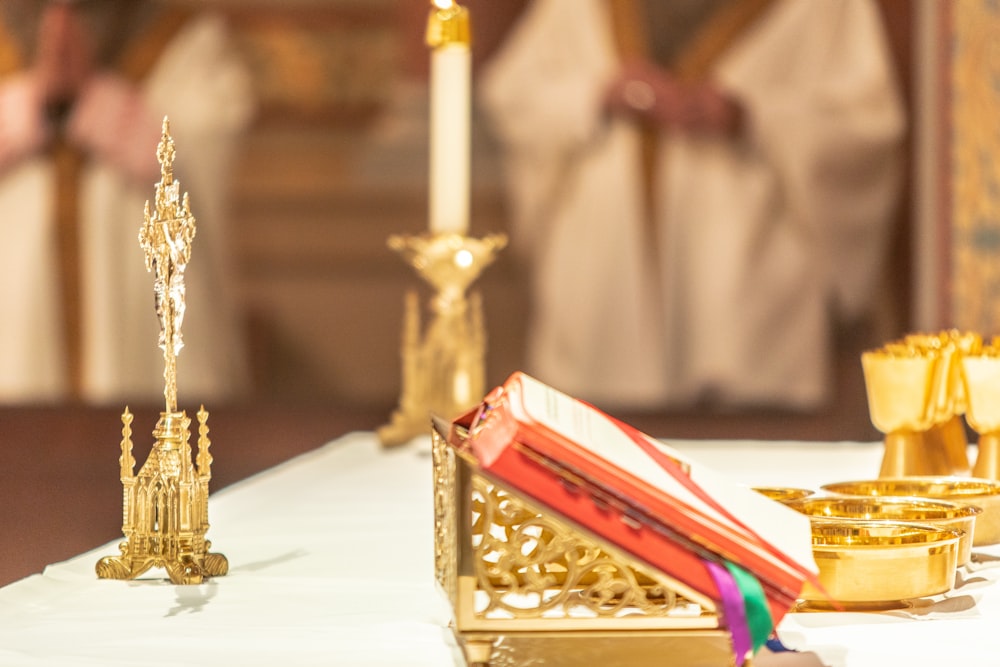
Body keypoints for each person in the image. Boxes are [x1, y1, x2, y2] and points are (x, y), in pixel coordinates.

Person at [478, 0, 906, 411]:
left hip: (745, 278)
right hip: (606, 277)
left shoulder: (823, 7)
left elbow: (865, 121)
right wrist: (601, 95)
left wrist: (748, 115)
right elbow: (514, 93)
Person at [0, 0, 254, 404]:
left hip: (134, 316)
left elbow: (204, 151)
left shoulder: (182, 40)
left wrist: (100, 106)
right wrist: (35, 103)